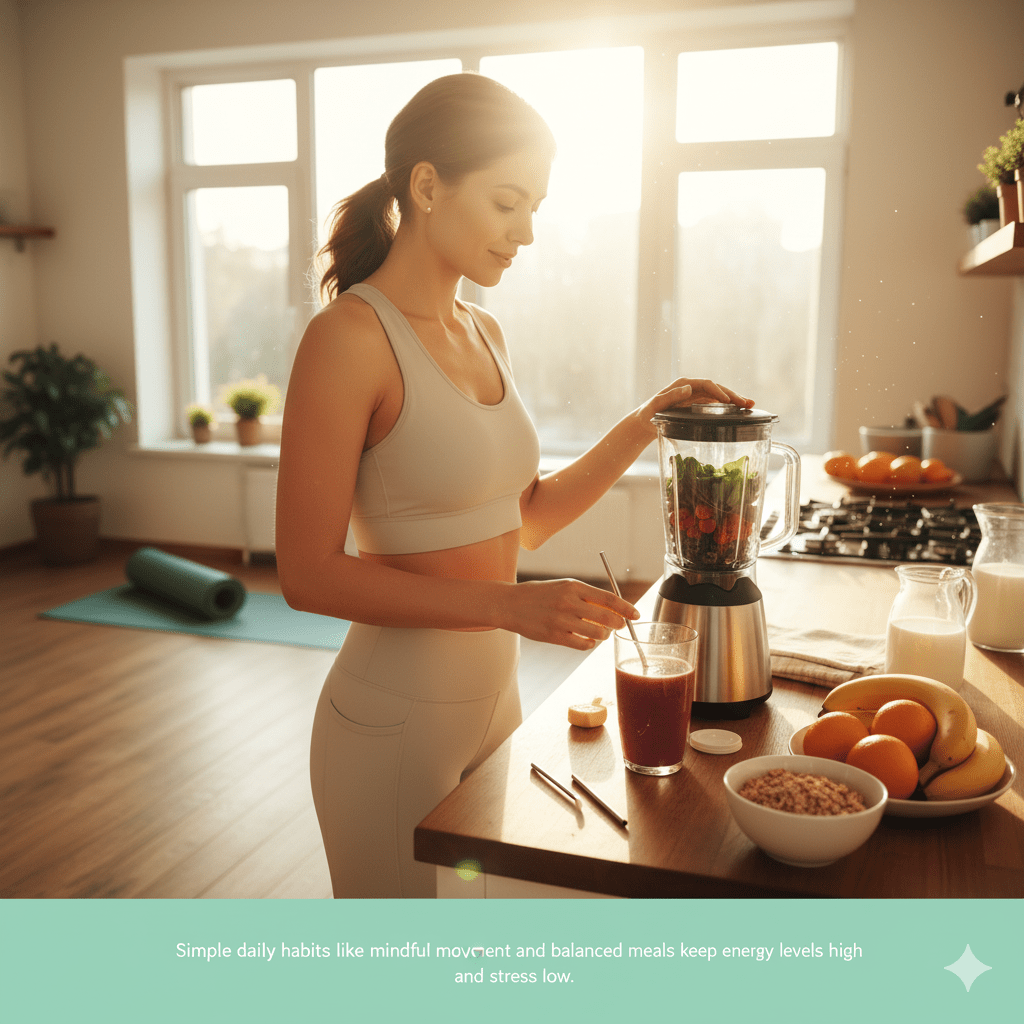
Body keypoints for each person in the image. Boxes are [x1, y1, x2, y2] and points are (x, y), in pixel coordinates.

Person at [276, 72, 752, 898]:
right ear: (427, 185)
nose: (527, 232)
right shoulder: (348, 338)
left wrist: (649, 419)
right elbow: (305, 573)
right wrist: (511, 606)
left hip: (494, 702)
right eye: (507, 202)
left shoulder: (484, 329)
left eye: (536, 205)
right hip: (391, 721)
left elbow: (527, 518)